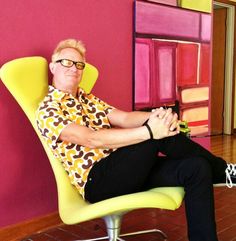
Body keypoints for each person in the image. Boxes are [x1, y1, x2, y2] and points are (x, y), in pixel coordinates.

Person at [36, 38, 236, 241]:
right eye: (66, 62)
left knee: (196, 167)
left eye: (79, 64)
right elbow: (92, 139)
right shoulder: (48, 110)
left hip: (125, 170)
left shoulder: (87, 98)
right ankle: (223, 171)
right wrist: (151, 131)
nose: (74, 68)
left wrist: (157, 116)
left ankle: (219, 180)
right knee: (156, 134)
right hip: (98, 181)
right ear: (53, 67)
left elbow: (124, 118)